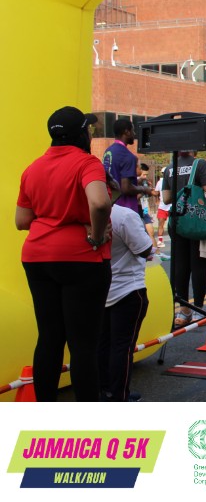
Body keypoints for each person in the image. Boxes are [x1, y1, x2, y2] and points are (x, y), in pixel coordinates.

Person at [17, 106, 111, 401]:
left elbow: (21, 220)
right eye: (89, 130)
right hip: (81, 259)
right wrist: (97, 235)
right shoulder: (87, 163)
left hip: (37, 258)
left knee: (49, 338)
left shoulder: (33, 168)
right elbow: (100, 203)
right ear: (81, 134)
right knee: (83, 345)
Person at [99, 198, 152, 401]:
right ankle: (119, 396)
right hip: (128, 288)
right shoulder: (123, 215)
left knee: (102, 345)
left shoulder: (80, 215)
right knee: (122, 347)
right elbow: (144, 249)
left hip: (100, 289)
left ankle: (104, 391)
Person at [161, 152, 206, 327]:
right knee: (199, 265)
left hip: (178, 222)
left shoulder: (170, 168)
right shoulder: (200, 164)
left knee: (180, 266)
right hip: (197, 221)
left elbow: (166, 198)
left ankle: (184, 311)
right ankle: (198, 310)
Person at [102, 118, 154, 216]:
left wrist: (138, 181)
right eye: (133, 131)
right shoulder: (128, 156)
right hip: (125, 210)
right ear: (127, 132)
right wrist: (144, 189)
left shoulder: (108, 151)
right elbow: (126, 188)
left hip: (110, 208)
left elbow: (115, 177)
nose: (134, 134)